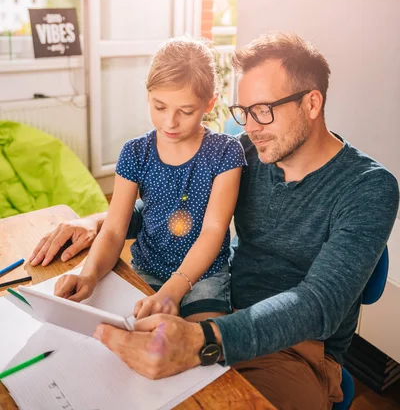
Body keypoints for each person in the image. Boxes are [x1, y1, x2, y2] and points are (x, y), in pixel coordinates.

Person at [30, 32, 399, 410]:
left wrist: (202, 339)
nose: (250, 128)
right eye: (243, 112)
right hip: (215, 307)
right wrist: (98, 223)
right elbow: (176, 211)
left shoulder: (369, 187)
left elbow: (319, 304)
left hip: (295, 349)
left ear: (311, 103)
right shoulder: (249, 153)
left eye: (263, 110)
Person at [42, 37, 246, 322]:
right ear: (148, 96)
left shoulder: (225, 153)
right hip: (148, 271)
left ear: (209, 103)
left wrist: (174, 289)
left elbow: (213, 230)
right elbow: (114, 229)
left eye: (185, 111)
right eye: (159, 107)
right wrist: (87, 275)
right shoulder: (135, 152)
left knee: (199, 347)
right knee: (132, 337)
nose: (170, 122)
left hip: (205, 277)